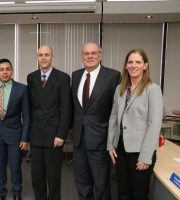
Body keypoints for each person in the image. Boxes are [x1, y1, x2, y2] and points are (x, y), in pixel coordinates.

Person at [107, 49, 163, 200]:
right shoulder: (120, 88)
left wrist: (146, 157)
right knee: (123, 193)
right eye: (130, 62)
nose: (133, 65)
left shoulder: (153, 89)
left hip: (140, 152)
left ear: (145, 66)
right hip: (120, 150)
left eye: (138, 62)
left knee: (139, 194)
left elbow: (154, 125)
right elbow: (113, 118)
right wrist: (110, 144)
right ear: (126, 66)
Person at [71, 42, 120, 200]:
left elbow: (116, 109)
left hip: (101, 140)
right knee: (82, 182)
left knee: (101, 184)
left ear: (100, 56)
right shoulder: (76, 75)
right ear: (81, 57)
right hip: (79, 140)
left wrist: (113, 139)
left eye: (93, 53)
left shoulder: (113, 76)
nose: (90, 56)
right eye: (86, 53)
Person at [27, 45, 71, 200]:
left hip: (54, 137)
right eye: (40, 55)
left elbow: (65, 109)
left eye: (46, 55)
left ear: (53, 57)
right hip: (36, 135)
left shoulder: (63, 78)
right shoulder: (31, 77)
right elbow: (31, 108)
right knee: (37, 177)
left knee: (53, 178)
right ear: (37, 57)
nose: (43, 58)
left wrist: (61, 134)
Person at [0, 58, 30, 200]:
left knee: (15, 166)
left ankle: (17, 192)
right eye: (1, 69)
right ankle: (1, 192)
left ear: (12, 71)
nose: (5, 72)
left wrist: (24, 137)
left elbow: (27, 116)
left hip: (15, 135)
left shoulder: (22, 89)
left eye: (8, 69)